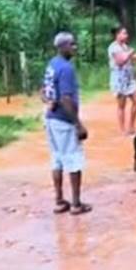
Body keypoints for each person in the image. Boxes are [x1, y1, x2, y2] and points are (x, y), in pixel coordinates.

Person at [42, 32, 92, 215]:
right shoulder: (66, 68)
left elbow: (44, 92)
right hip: (64, 120)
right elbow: (65, 98)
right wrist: (78, 124)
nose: (75, 47)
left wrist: (48, 102)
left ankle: (59, 200)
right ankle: (76, 204)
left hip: (50, 118)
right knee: (73, 160)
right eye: (72, 44)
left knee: (56, 159)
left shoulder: (52, 65)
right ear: (62, 47)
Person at [108, 26, 136, 135]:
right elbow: (120, 61)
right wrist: (130, 54)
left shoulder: (124, 46)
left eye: (126, 33)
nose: (126, 35)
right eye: (123, 33)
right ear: (117, 35)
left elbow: (131, 56)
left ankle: (131, 126)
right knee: (122, 105)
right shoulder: (113, 47)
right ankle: (122, 129)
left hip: (129, 79)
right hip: (119, 79)